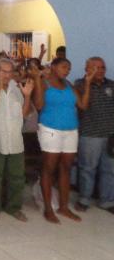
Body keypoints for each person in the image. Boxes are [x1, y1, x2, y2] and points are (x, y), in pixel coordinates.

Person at [31, 57, 91, 224]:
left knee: (66, 168)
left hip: (71, 130)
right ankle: (48, 209)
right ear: (53, 67)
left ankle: (64, 207)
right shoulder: (44, 83)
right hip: (50, 129)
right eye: (64, 67)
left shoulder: (69, 85)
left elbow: (83, 105)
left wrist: (87, 83)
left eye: (69, 68)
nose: (67, 70)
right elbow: (39, 105)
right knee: (48, 169)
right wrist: (36, 78)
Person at [0, 59, 34, 222]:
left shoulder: (17, 88)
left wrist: (27, 96)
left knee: (17, 176)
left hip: (15, 140)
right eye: (3, 72)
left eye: (10, 72)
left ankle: (14, 207)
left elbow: (24, 114)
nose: (7, 75)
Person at [73, 57, 114, 213]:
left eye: (103, 67)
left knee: (109, 170)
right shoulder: (79, 85)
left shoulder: (111, 85)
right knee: (87, 169)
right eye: (96, 67)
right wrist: (88, 83)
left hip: (110, 135)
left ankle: (107, 201)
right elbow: (82, 107)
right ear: (87, 69)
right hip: (90, 135)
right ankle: (84, 199)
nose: (101, 70)